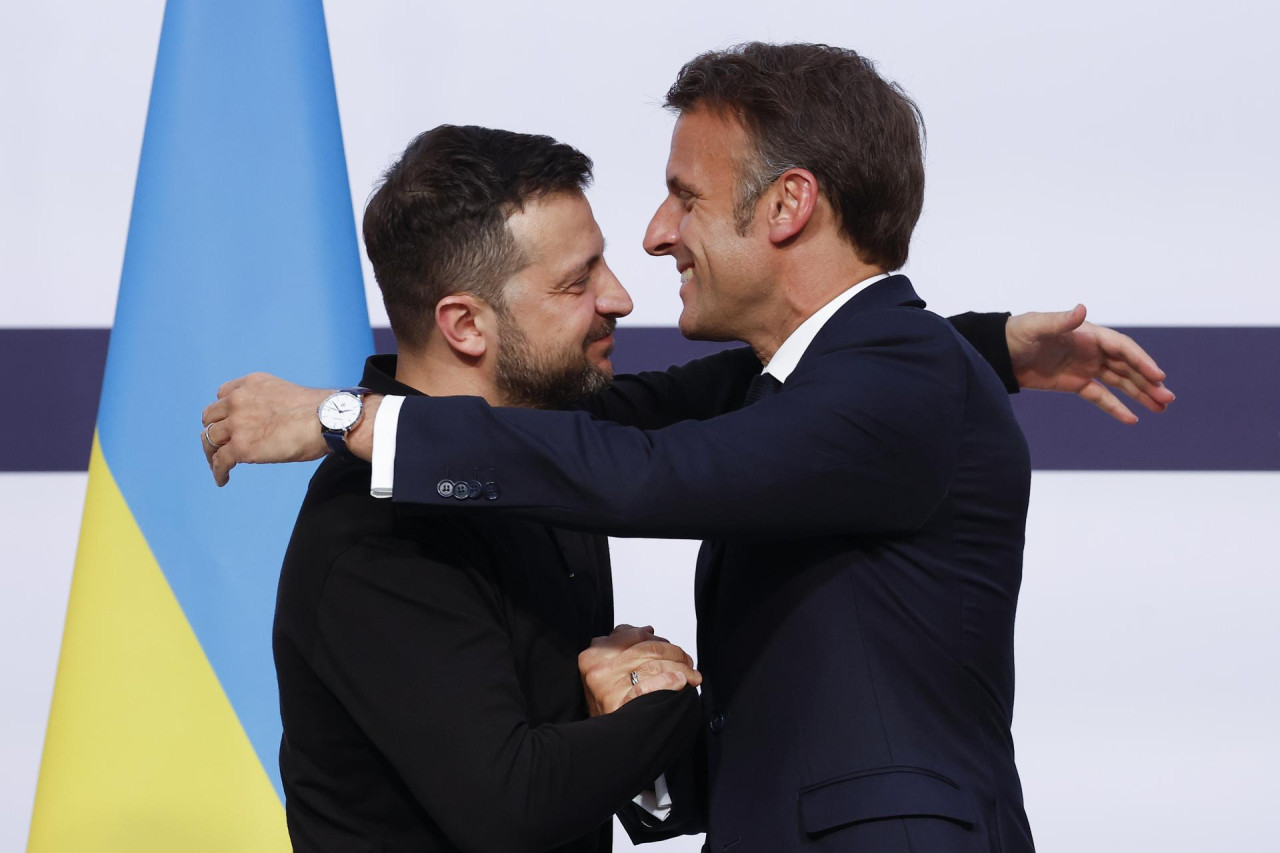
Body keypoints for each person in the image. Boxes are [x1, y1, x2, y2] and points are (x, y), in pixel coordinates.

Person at [204, 46, 1174, 853]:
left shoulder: (891, 379)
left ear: (785, 206)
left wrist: (345, 419)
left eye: (683, 196)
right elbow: (643, 426)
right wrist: (988, 342)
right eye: (578, 278)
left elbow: (649, 469)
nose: (653, 243)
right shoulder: (852, 377)